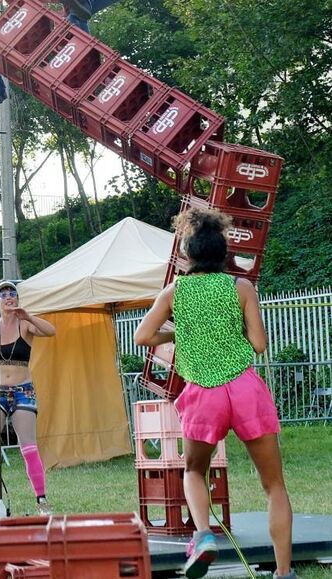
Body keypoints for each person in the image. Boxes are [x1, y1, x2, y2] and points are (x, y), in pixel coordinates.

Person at [134, 208, 292, 579]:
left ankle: (204, 535)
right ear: (224, 254)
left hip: (204, 393)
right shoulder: (241, 288)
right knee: (274, 486)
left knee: (193, 470)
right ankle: (284, 573)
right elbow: (258, 344)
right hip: (244, 387)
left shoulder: (175, 292)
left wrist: (178, 333)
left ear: (188, 255)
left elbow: (142, 337)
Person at [0, 279, 57, 518]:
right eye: (4, 294)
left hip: (23, 389)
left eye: (12, 293)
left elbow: (51, 331)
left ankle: (42, 499)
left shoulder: (24, 325)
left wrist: (27, 316)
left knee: (28, 445)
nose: (9, 297)